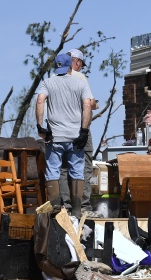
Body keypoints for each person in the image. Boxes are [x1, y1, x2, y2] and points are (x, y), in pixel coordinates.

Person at [36, 53, 92, 217]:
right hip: (75, 136)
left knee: (53, 171)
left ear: (56, 66)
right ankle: (76, 210)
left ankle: (56, 211)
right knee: (77, 171)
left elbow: (40, 100)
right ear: (70, 66)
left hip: (55, 136)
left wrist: (40, 127)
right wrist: (84, 130)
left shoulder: (48, 83)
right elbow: (87, 105)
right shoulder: (80, 83)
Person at [66, 48, 99, 217]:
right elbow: (90, 103)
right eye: (80, 64)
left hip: (60, 129)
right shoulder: (79, 77)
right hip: (79, 127)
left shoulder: (54, 78)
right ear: (77, 61)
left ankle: (65, 207)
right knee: (84, 165)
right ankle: (84, 208)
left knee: (64, 166)